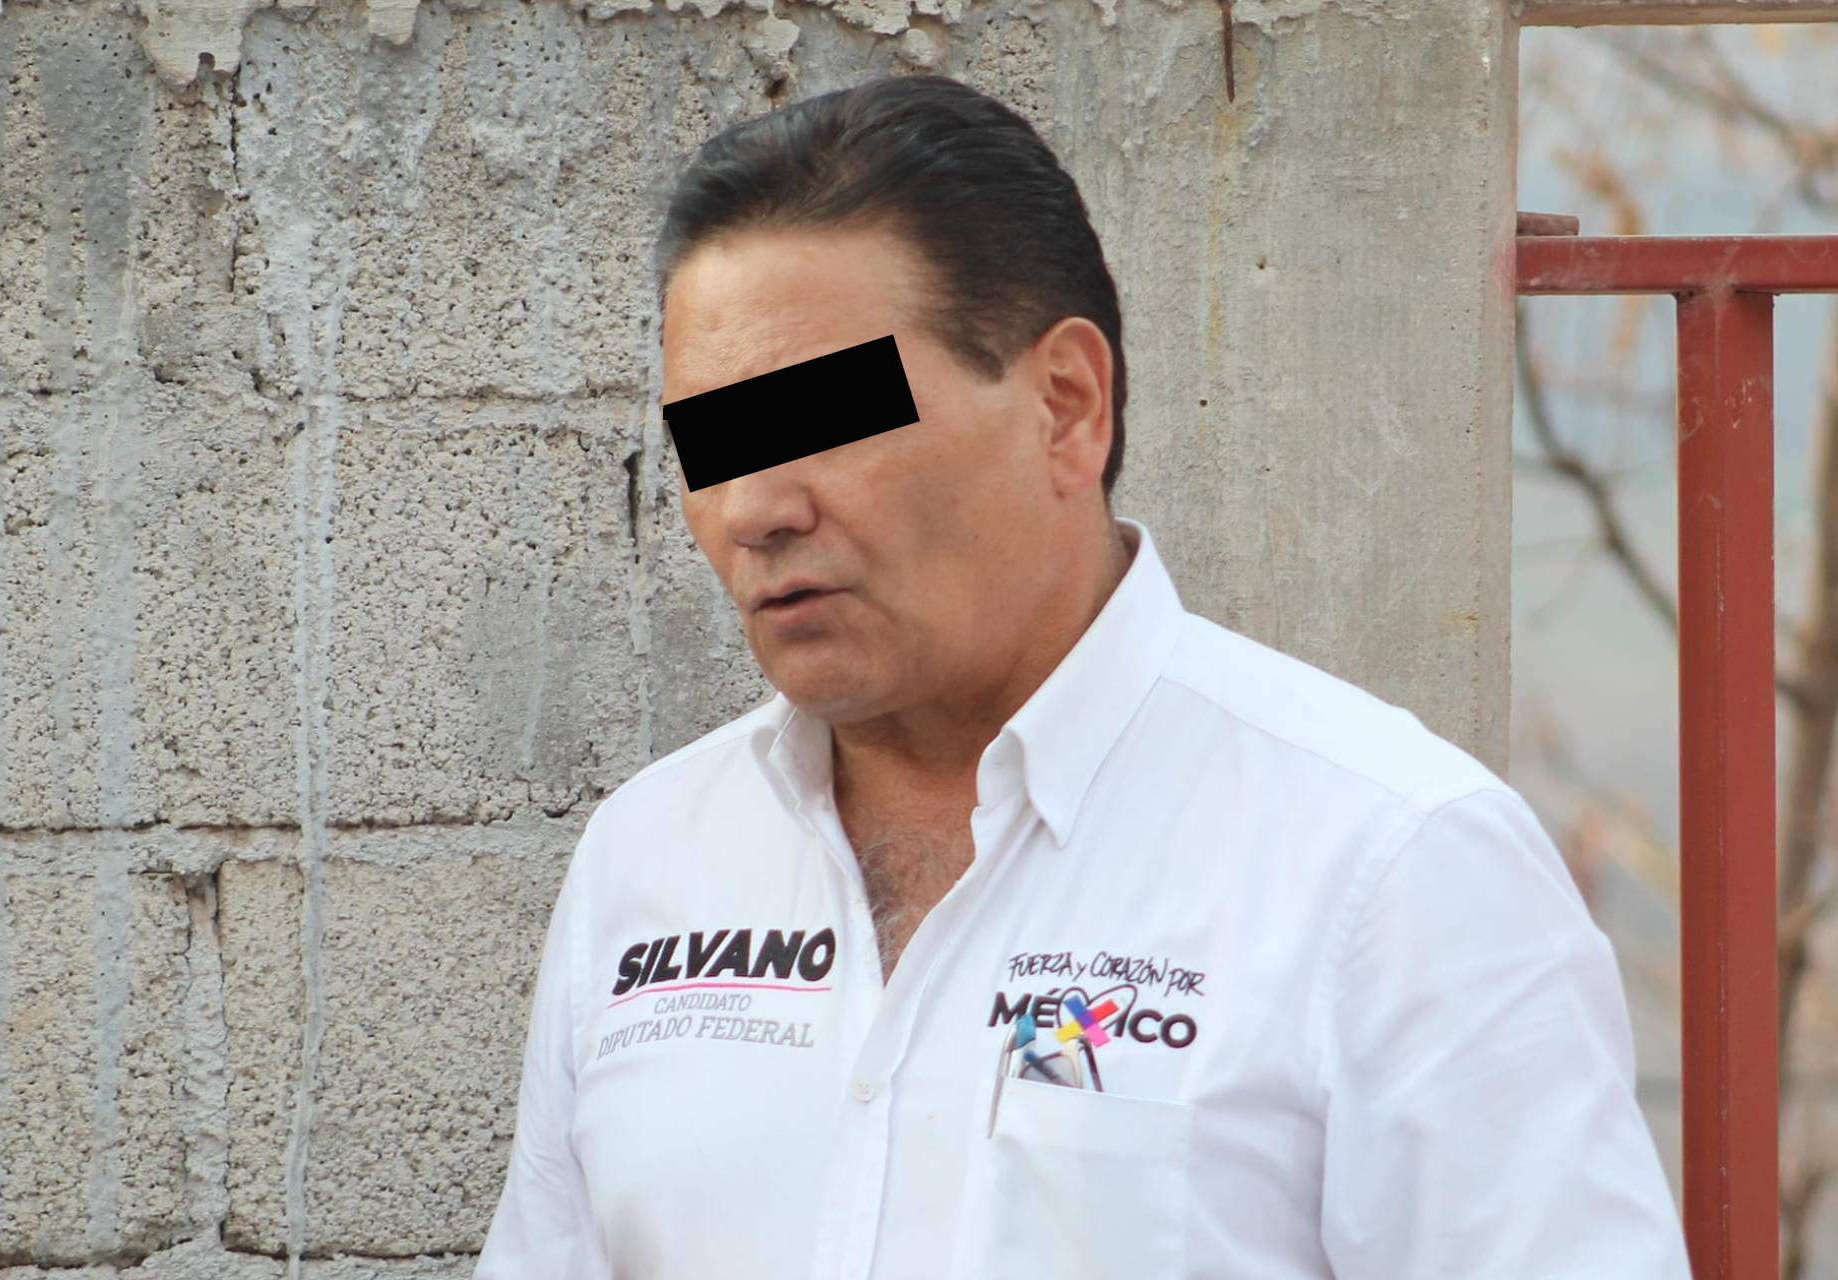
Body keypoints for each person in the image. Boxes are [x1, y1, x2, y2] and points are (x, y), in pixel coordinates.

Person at [473, 73, 1690, 1279]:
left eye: (822, 419)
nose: (753, 507)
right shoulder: (648, 858)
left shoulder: (1390, 864)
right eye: (714, 441)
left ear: (1065, 405)